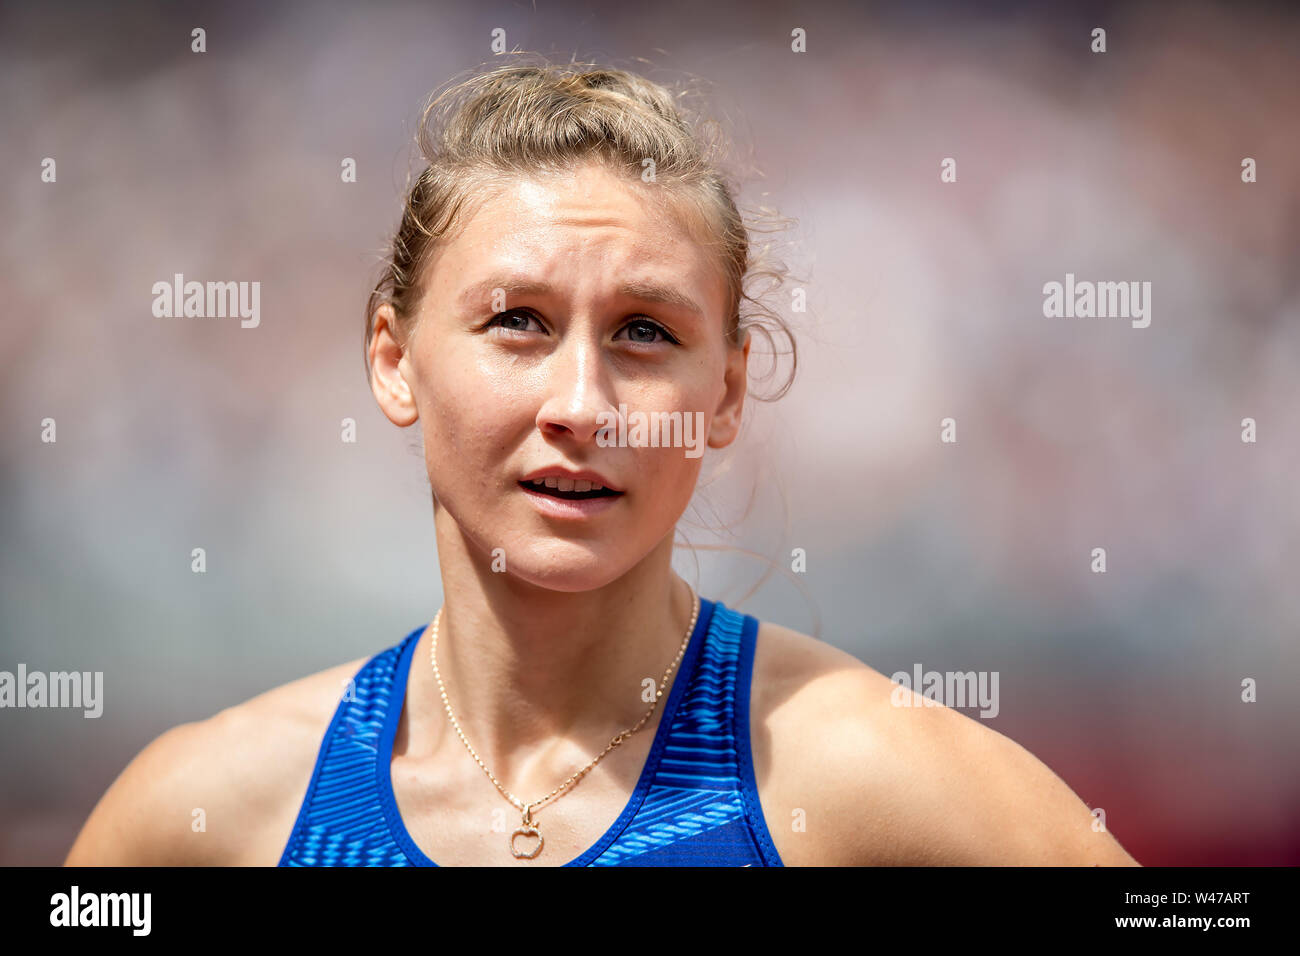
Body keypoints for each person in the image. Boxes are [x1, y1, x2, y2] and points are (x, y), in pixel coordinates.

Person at [65, 56, 1140, 867]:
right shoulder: (209, 811)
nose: (582, 407)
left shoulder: (860, 775)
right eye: (518, 320)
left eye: (644, 333)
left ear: (723, 391)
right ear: (393, 361)